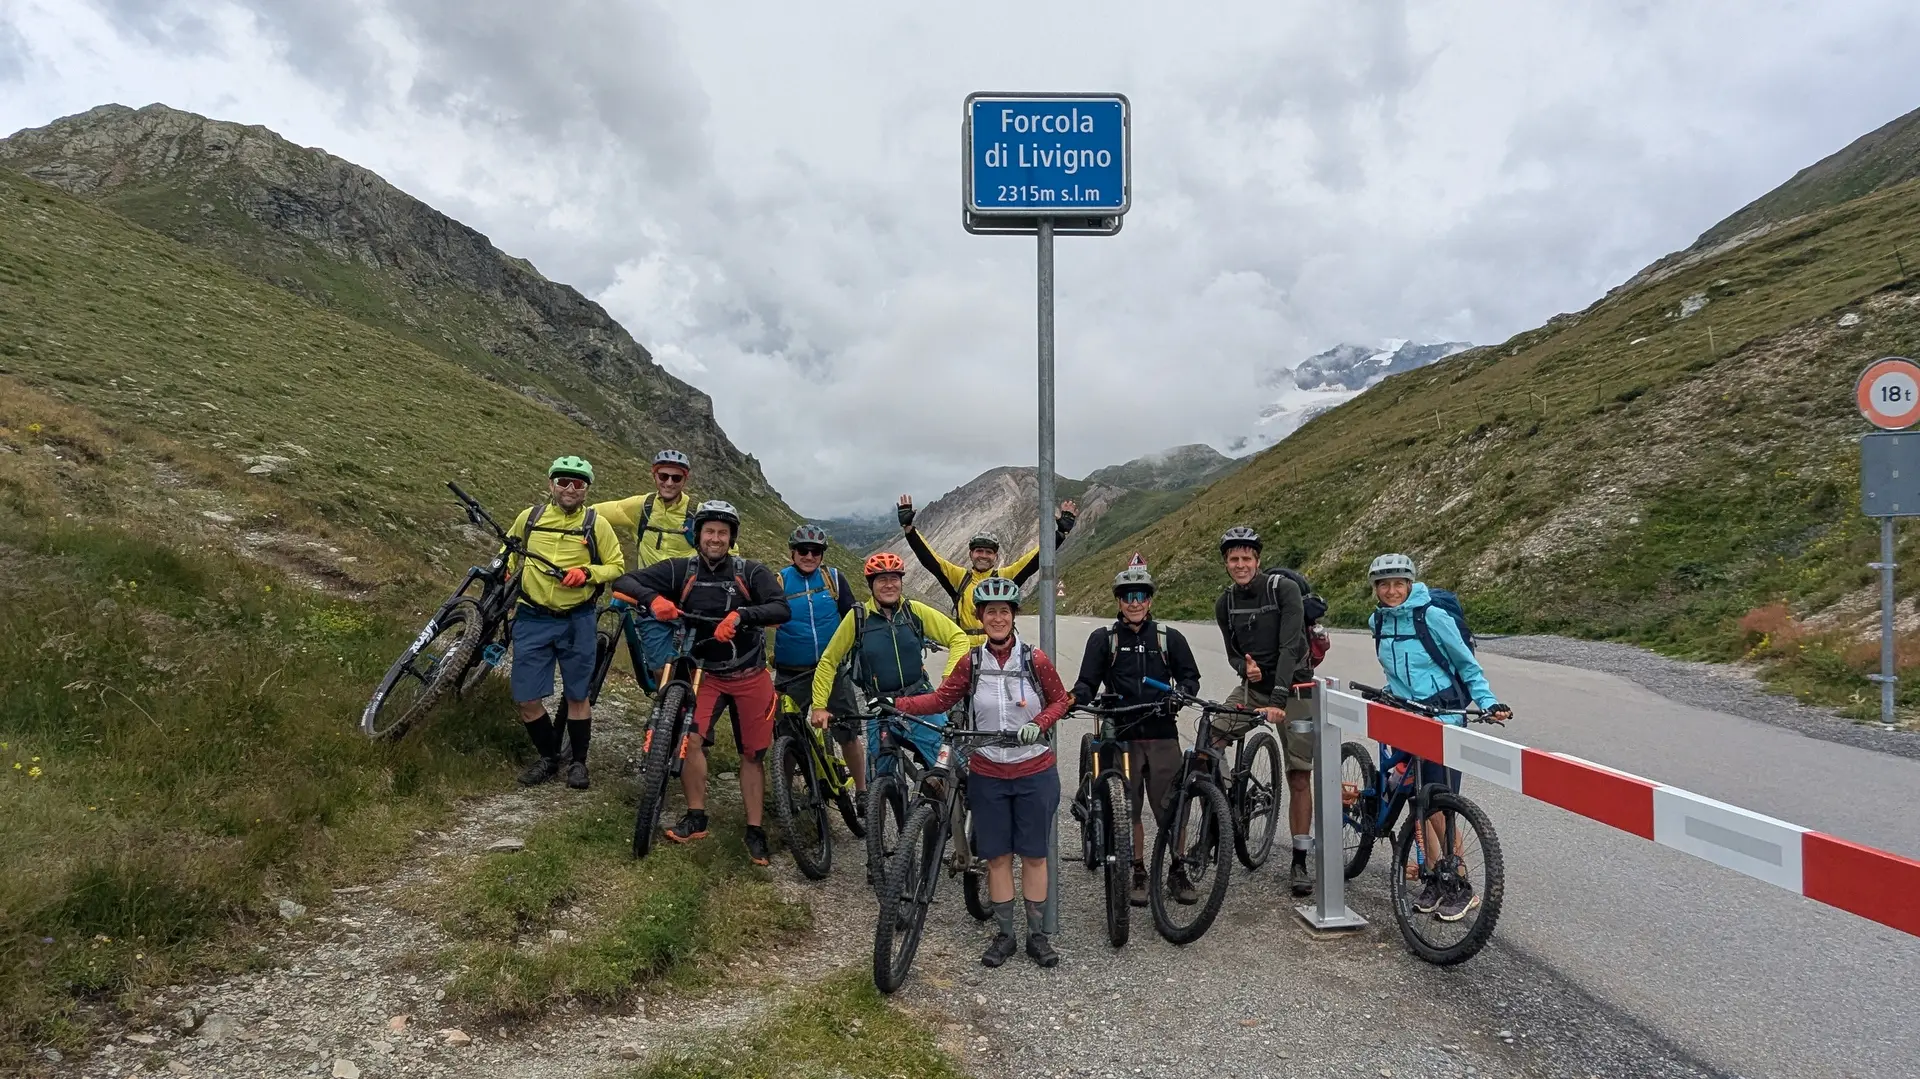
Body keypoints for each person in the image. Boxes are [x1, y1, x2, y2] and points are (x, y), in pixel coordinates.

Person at [894, 578, 1072, 969]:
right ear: (980, 617)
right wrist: (899, 703)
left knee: (1035, 856)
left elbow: (1062, 700)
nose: (997, 618)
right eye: (990, 612)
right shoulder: (972, 662)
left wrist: (1040, 722)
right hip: (988, 772)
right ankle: (1006, 934)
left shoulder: (1034, 659)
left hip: (1034, 771)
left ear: (1013, 616)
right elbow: (942, 699)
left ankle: (1037, 937)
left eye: (1004, 611)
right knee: (996, 857)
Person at [610, 500, 790, 866]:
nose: (716, 538)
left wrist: (741, 615)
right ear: (698, 535)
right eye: (709, 531)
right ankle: (697, 817)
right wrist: (655, 599)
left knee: (753, 755)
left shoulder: (750, 572)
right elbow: (624, 581)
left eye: (723, 533)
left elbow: (780, 608)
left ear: (731, 538)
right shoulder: (682, 570)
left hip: (750, 674)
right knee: (690, 741)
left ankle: (754, 829)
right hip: (703, 674)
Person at [1366, 553, 1512, 921]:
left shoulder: (1433, 616)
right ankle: (1432, 879)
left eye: (1399, 582)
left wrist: (1489, 702)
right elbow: (1396, 670)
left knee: (1439, 805)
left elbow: (1467, 666)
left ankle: (1458, 885)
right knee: (1416, 798)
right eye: (1384, 584)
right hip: (1403, 714)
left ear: (1411, 583)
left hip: (1441, 716)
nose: (1392, 590)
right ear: (1375, 589)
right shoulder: (1378, 622)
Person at [1069, 565, 1202, 906]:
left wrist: (1181, 694)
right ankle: (1138, 869)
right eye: (1128, 597)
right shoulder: (1104, 640)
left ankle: (1176, 868)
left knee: (1171, 808)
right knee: (1128, 810)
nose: (1134, 603)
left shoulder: (1168, 638)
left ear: (1150, 600)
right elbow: (1087, 683)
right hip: (1122, 736)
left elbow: (1190, 679)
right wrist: (1074, 699)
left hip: (1161, 734)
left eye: (1141, 596)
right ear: (1118, 601)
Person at [501, 456, 626, 790]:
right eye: (563, 481)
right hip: (531, 617)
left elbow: (616, 565)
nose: (570, 488)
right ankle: (549, 758)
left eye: (579, 483)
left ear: (586, 490)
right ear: (550, 484)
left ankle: (579, 764)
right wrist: (507, 571)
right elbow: (511, 551)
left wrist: (587, 573)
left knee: (577, 695)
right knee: (526, 698)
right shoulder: (530, 518)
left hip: (577, 619)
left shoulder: (596, 524)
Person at [1213, 525, 1317, 898]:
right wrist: (1245, 668)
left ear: (1257, 560)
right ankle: (1221, 811)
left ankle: (1300, 860)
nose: (1240, 564)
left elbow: (1292, 647)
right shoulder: (1225, 602)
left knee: (1300, 775)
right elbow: (1231, 653)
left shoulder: (1283, 590)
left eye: (1246, 558)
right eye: (1233, 559)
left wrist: (1276, 698)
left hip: (1296, 690)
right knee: (1210, 738)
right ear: (1226, 563)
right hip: (1254, 689)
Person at [810, 551, 971, 781]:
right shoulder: (858, 618)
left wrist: (948, 676)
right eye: (881, 579)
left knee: (954, 766)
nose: (889, 585)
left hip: (920, 700)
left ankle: (962, 810)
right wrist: (818, 706)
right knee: (879, 779)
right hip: (880, 705)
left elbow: (958, 637)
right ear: (871, 585)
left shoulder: (913, 611)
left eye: (894, 578)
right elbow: (828, 661)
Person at [896, 493, 1078, 642]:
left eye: (989, 552)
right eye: (979, 551)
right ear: (971, 555)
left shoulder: (1005, 577)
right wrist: (909, 529)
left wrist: (1060, 534)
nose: (983, 555)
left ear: (996, 556)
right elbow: (931, 561)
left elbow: (1033, 560)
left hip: (999, 649)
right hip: (965, 652)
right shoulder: (959, 577)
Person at [771, 524, 863, 795]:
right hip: (791, 672)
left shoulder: (834, 578)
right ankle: (784, 794)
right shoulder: (779, 581)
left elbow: (851, 618)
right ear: (792, 553)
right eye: (803, 550)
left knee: (847, 732)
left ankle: (862, 791)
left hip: (832, 670)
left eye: (816, 551)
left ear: (822, 554)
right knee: (785, 737)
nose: (809, 556)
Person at [595, 449, 701, 678]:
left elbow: (726, 548)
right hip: (650, 594)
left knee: (692, 666)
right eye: (663, 476)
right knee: (659, 669)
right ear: (654, 476)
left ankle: (684, 702)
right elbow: (593, 514)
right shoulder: (642, 507)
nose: (669, 483)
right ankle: (665, 700)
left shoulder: (697, 513)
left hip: (687, 596)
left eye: (676, 478)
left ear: (685, 479)